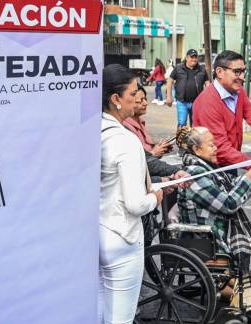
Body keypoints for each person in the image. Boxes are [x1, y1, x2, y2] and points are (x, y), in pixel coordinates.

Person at [177, 126, 251, 324]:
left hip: (216, 234)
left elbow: (232, 186)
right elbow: (228, 204)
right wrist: (248, 179)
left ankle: (246, 308)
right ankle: (250, 312)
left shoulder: (206, 168)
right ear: (196, 150)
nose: (216, 148)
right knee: (247, 265)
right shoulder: (195, 175)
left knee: (249, 272)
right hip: (206, 241)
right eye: (211, 145)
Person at [99, 65, 162, 324]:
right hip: (122, 238)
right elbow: (136, 204)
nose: (138, 99)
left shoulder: (90, 131)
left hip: (94, 235)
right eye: (133, 93)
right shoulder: (125, 141)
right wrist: (156, 196)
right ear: (116, 99)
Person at [123, 86, 173, 157]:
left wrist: (160, 148)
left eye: (145, 99)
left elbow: (148, 150)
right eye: (140, 100)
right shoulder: (125, 128)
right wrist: (154, 153)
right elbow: (135, 157)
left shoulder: (140, 122)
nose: (145, 103)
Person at [165, 49, 209, 128]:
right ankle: (181, 136)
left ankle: (193, 136)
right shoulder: (178, 68)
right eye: (192, 57)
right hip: (182, 102)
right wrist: (169, 97)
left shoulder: (202, 69)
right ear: (187, 58)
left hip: (197, 103)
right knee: (182, 124)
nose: (194, 59)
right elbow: (170, 81)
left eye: (195, 57)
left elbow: (207, 84)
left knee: (196, 125)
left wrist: (208, 99)